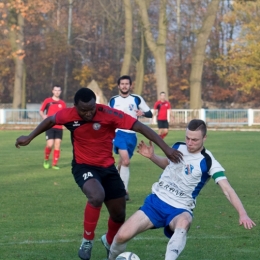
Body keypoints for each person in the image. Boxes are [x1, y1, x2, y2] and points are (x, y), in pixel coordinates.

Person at [15, 88, 182, 260]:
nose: (88, 113)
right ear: (76, 106)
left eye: (91, 109)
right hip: (83, 166)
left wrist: (167, 149)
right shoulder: (69, 114)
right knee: (96, 195)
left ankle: (109, 241)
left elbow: (139, 126)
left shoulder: (108, 113)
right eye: (84, 110)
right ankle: (87, 240)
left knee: (119, 213)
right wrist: (29, 137)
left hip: (107, 168)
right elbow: (50, 120)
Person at [108, 119, 256, 260]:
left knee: (184, 222)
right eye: (188, 138)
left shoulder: (208, 161)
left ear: (205, 138)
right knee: (121, 236)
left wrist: (242, 213)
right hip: (156, 202)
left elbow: (227, 189)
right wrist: (152, 156)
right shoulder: (178, 146)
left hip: (180, 209)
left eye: (195, 140)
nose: (190, 143)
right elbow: (168, 165)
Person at [108, 75, 153, 201]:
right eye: (122, 84)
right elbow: (107, 116)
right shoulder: (113, 100)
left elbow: (150, 113)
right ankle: (124, 191)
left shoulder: (137, 99)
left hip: (132, 135)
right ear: (118, 86)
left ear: (130, 85)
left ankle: (115, 179)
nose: (124, 86)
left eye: (126, 84)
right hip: (118, 133)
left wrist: (142, 113)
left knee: (122, 162)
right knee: (126, 161)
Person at [39, 84, 66, 170]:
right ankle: (46, 159)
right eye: (56, 90)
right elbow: (41, 110)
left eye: (59, 90)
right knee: (50, 144)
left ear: (60, 92)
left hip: (59, 127)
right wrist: (44, 117)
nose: (57, 92)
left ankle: (55, 164)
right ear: (53, 91)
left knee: (57, 145)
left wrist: (65, 123)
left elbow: (64, 115)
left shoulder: (62, 103)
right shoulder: (48, 101)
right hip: (50, 126)